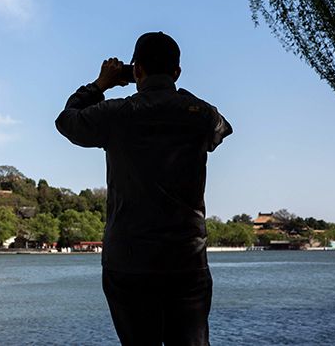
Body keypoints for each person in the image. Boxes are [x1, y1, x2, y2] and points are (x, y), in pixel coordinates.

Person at [55, 32, 232, 346]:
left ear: (136, 70)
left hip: (128, 260)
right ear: (177, 72)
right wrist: (179, 97)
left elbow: (67, 121)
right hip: (186, 259)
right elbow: (223, 128)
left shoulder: (117, 114)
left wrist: (99, 85)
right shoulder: (200, 114)